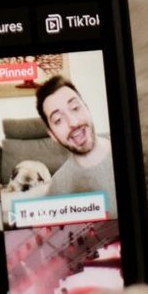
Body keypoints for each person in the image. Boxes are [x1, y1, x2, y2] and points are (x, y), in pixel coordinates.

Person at [36, 74, 118, 214]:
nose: (73, 123)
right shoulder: (57, 189)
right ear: (52, 135)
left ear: (87, 108)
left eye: (75, 108)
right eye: (58, 120)